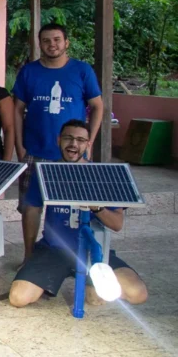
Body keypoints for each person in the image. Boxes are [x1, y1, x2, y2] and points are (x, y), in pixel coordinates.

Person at [10, 120, 148, 308]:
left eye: (80, 140)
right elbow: (32, 213)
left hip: (94, 251)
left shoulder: (103, 176)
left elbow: (117, 224)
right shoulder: (45, 173)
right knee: (18, 298)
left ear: (88, 144)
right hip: (54, 249)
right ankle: (72, 278)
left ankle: (90, 282)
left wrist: (95, 206)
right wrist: (28, 255)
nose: (74, 144)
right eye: (68, 138)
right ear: (59, 140)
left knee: (137, 294)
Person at [14, 23, 103, 253]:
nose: (51, 44)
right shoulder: (29, 71)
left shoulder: (82, 71)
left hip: (72, 154)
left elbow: (97, 106)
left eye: (56, 39)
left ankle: (71, 254)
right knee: (30, 207)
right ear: (39, 44)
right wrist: (20, 146)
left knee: (72, 207)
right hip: (36, 150)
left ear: (66, 43)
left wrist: (89, 142)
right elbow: (17, 109)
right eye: (46, 40)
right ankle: (29, 256)